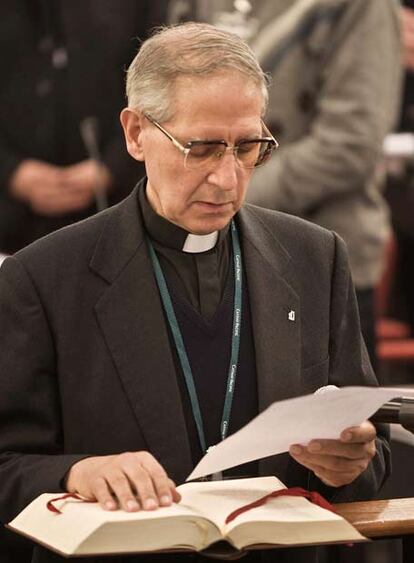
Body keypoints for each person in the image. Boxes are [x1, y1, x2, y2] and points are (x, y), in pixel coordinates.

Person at [0, 23, 389, 563]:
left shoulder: (314, 257)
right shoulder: (43, 278)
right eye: (201, 148)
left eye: (249, 147)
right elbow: (7, 464)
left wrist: (353, 463)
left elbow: (369, 451)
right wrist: (75, 471)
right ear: (136, 134)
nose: (228, 179)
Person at [0, 0, 169, 255]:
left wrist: (112, 166)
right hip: (9, 220)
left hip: (116, 212)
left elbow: (161, 80)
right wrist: (11, 172)